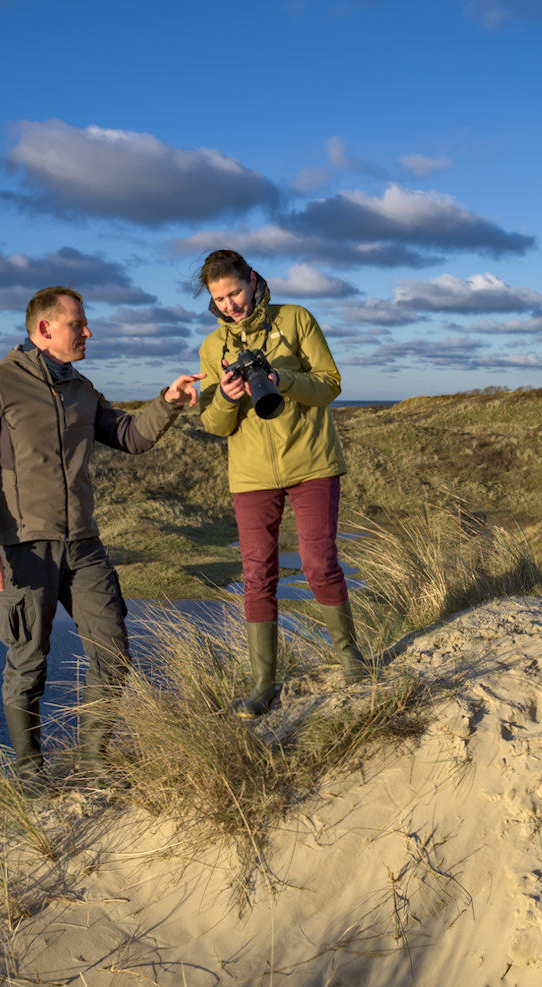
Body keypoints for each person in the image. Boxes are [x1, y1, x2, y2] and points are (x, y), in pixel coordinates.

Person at [0, 285, 202, 788]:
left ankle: (92, 762)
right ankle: (30, 772)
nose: (88, 332)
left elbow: (131, 436)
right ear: (44, 329)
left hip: (84, 545)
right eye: (77, 324)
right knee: (28, 661)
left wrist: (168, 402)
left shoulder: (83, 390)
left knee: (113, 653)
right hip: (24, 548)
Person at [196, 249, 368, 718]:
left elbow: (330, 384)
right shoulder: (213, 348)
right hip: (250, 475)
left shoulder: (295, 319)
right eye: (220, 298)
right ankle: (263, 684)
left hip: (312, 462)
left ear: (252, 280)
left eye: (235, 292)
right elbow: (214, 424)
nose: (230, 304)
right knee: (257, 575)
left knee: (318, 562)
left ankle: (349, 654)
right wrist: (229, 398)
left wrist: (281, 379)